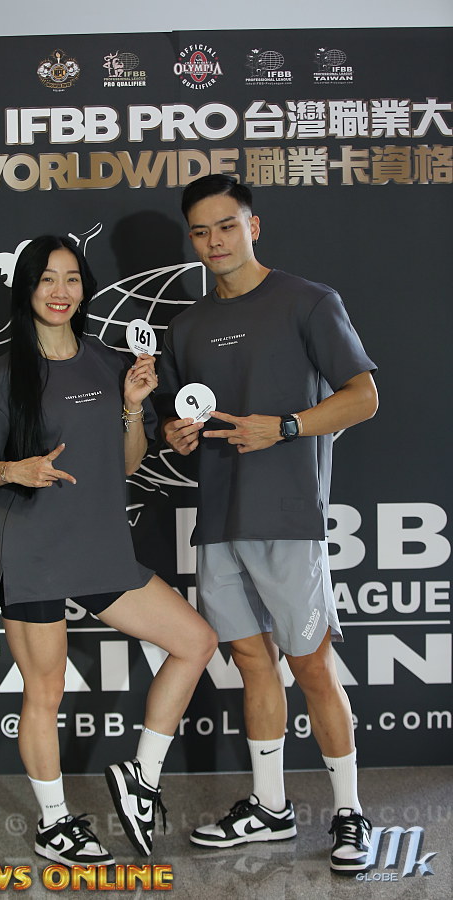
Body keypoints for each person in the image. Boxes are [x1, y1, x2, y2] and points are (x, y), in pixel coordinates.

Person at [0, 235, 217, 867]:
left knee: (195, 642)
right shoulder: (3, 374)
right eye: (47, 279)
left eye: (72, 278)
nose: (60, 291)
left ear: (85, 288)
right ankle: (55, 824)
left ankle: (141, 776)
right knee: (45, 691)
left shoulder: (109, 362)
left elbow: (127, 463)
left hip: (101, 547)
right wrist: (16, 470)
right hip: (34, 550)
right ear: (27, 289)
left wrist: (132, 406)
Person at [156, 175, 378, 874]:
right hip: (218, 520)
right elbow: (177, 420)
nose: (214, 242)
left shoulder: (309, 301)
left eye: (226, 226)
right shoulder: (185, 327)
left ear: (253, 226)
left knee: (311, 664)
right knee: (253, 664)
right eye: (200, 232)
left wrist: (285, 427)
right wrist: (174, 435)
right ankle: (270, 807)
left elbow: (364, 397)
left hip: (288, 516)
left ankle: (350, 811)